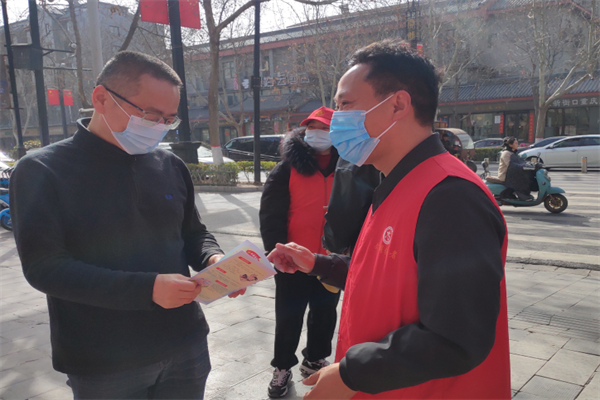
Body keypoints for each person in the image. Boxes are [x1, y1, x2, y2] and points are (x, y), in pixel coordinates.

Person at [268, 40, 511, 400]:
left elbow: (457, 337)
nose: (336, 120)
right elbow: (388, 277)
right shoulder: (395, 180)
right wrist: (319, 264)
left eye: (345, 105)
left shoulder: (450, 196)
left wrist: (349, 375)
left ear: (397, 105)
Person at [10, 51, 243, 400]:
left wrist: (214, 260)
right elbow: (44, 268)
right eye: (149, 114)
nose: (159, 126)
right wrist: (147, 289)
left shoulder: (169, 165)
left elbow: (193, 233)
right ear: (101, 98)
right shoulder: (41, 171)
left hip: (185, 342)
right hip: (104, 358)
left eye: (169, 119)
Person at [259, 106, 341, 398]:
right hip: (292, 260)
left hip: (331, 260)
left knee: (325, 312)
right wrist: (277, 251)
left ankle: (315, 359)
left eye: (324, 128)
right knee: (289, 316)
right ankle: (282, 367)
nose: (317, 133)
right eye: (312, 128)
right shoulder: (287, 169)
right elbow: (271, 214)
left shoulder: (349, 168)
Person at [322, 159, 380, 255]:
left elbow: (346, 209)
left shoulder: (355, 158)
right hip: (392, 239)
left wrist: (333, 245)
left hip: (365, 245)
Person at [489, 136, 534, 201]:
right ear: (510, 145)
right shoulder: (506, 153)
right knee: (521, 180)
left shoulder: (513, 153)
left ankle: (526, 194)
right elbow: (510, 165)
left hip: (512, 174)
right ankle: (522, 196)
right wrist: (522, 167)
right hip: (506, 175)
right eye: (516, 143)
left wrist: (529, 165)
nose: (517, 145)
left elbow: (520, 161)